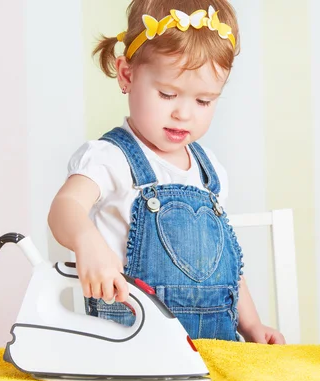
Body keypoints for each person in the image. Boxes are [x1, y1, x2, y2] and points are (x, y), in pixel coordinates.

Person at [48, 0, 285, 344]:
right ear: (127, 75)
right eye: (167, 93)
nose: (184, 114)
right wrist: (87, 241)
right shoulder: (111, 158)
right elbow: (64, 207)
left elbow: (225, 269)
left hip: (215, 350)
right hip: (134, 350)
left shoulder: (209, 172)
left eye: (204, 101)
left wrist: (252, 325)